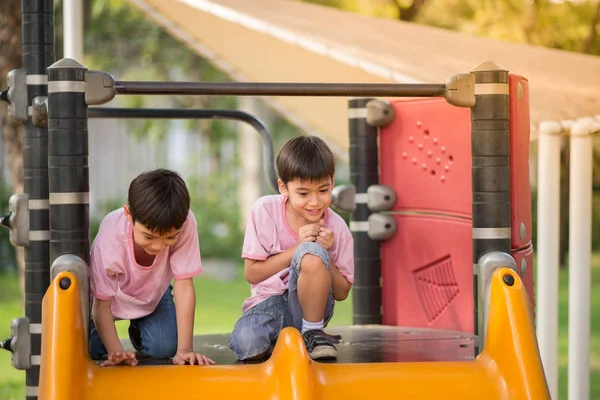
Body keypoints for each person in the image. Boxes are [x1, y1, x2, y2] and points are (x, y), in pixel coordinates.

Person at [229, 136, 354, 361]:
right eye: (304, 194)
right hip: (269, 303)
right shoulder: (265, 211)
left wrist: (324, 254)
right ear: (283, 187)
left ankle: (312, 333)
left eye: (323, 190)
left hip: (314, 310)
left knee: (313, 253)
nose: (315, 202)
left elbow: (342, 292)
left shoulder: (338, 227)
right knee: (247, 343)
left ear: (332, 183)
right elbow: (252, 273)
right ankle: (284, 337)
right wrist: (297, 247)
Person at [88, 168, 215, 367]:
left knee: (164, 349)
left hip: (152, 293)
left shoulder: (185, 224)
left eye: (170, 237)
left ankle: (139, 328)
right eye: (148, 236)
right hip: (106, 297)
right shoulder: (110, 241)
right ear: (129, 214)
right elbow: (101, 306)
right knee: (94, 350)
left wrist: (185, 350)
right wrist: (117, 354)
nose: (158, 246)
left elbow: (184, 285)